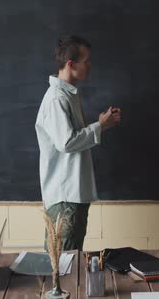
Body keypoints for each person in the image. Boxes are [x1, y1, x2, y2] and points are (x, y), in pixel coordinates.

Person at [35, 35, 121, 251]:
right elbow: (67, 142)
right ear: (71, 65)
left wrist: (101, 124)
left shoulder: (68, 95)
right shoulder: (57, 98)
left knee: (69, 259)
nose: (90, 66)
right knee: (64, 262)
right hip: (65, 195)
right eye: (86, 61)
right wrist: (99, 126)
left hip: (72, 193)